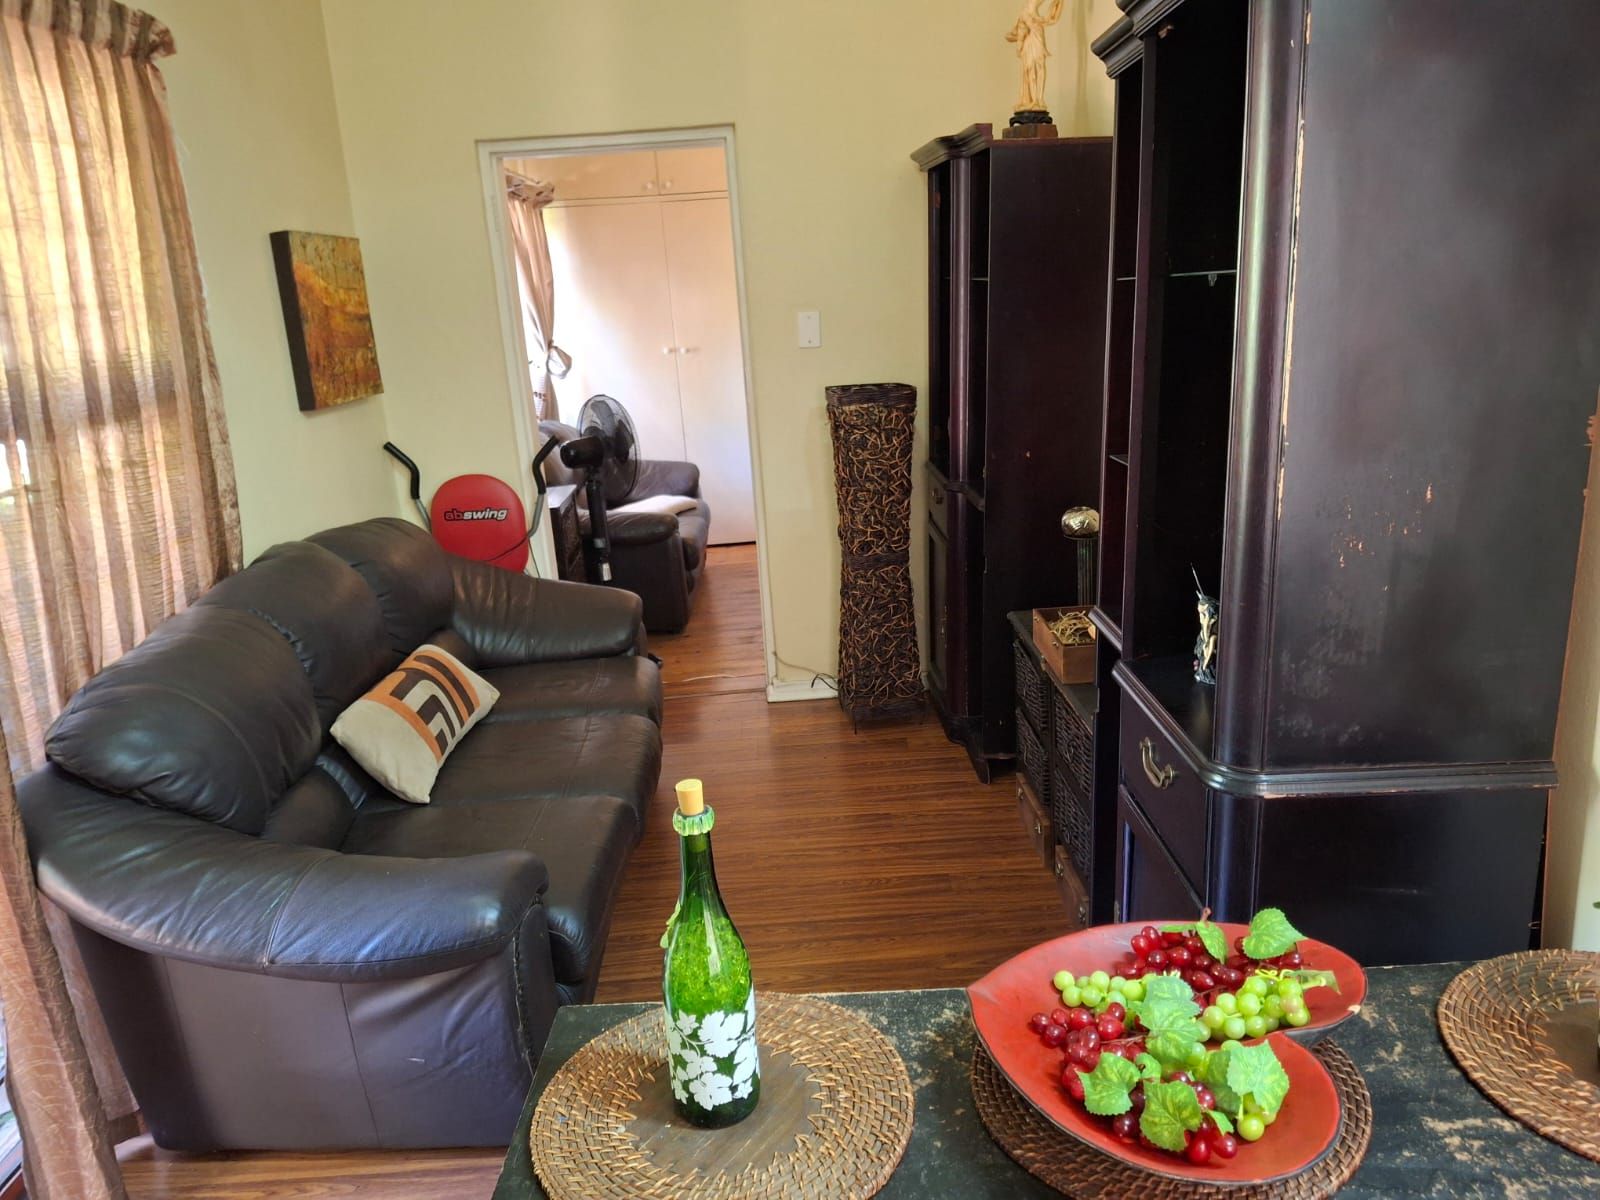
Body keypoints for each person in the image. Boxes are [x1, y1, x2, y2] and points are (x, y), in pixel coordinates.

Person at [1006, 0, 1065, 113]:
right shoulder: (1025, 11)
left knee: (1039, 65)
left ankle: (1039, 99)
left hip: (1036, 33)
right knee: (1030, 70)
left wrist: (1054, 7)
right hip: (1030, 37)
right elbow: (1020, 30)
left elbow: (1052, 13)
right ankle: (1034, 99)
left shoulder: (1029, 12)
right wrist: (1020, 42)